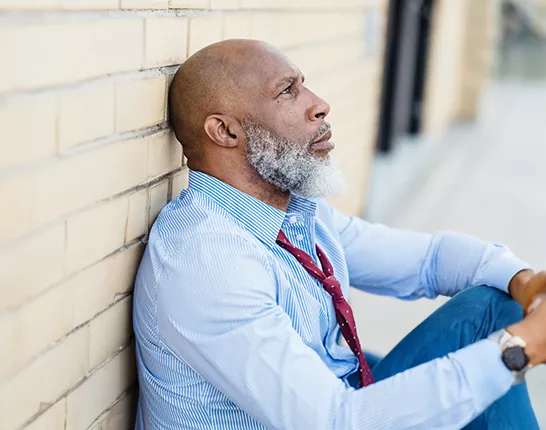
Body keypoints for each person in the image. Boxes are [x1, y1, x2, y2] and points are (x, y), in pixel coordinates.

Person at [132, 39, 546, 429]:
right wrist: (518, 348)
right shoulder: (207, 260)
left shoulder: (291, 214)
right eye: (287, 92)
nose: (320, 105)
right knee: (495, 339)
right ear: (225, 132)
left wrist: (523, 282)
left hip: (338, 401)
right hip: (331, 419)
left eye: (304, 85)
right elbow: (334, 421)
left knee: (497, 301)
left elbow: (429, 261)